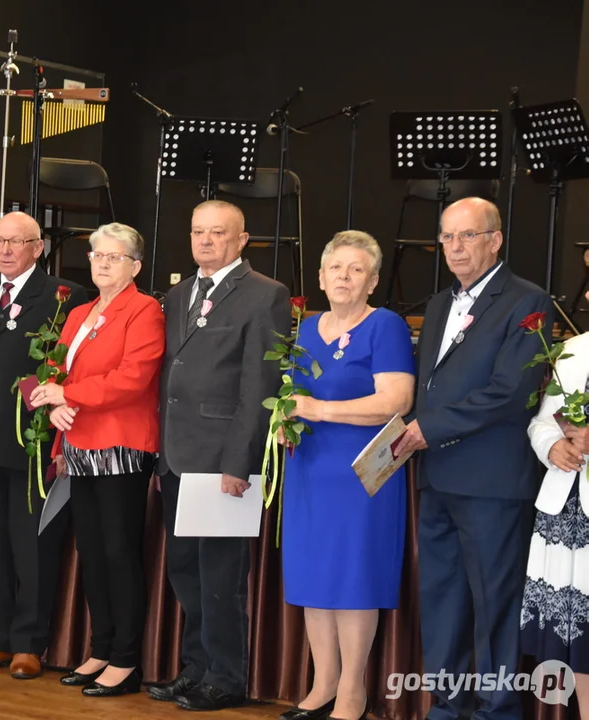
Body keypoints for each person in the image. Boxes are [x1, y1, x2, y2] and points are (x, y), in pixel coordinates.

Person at [396, 197, 551, 720]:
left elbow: (512, 391)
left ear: (495, 239)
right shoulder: (439, 304)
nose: (455, 248)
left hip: (491, 482)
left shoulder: (528, 301)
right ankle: (447, 705)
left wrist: (428, 428)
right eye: (446, 238)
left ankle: (497, 709)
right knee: (442, 602)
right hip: (436, 475)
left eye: (468, 236)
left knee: (494, 607)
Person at [150, 200, 289, 711]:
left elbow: (259, 386)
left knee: (221, 577)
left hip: (221, 460)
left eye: (217, 233)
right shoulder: (179, 292)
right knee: (186, 572)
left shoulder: (265, 295)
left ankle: (226, 677)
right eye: (197, 232)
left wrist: (239, 461)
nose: (205, 241)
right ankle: (195, 668)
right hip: (174, 456)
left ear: (242, 239)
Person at [279, 231, 415, 720]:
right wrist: (285, 420)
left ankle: (353, 692)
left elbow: (397, 401)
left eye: (356, 269)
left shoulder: (387, 326)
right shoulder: (307, 327)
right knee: (314, 575)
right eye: (335, 268)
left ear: (373, 281)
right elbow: (290, 397)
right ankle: (323, 684)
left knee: (354, 577)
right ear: (319, 277)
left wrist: (319, 408)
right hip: (310, 468)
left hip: (362, 472)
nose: (343, 276)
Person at [30, 222, 165, 698]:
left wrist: (67, 394)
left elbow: (133, 377)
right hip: (79, 445)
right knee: (91, 551)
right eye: (96, 256)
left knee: (119, 552)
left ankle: (126, 660)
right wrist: (58, 416)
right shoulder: (81, 312)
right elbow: (56, 372)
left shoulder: (144, 310)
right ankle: (102, 647)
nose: (102, 264)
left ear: (135, 265)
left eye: (114, 257)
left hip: (123, 445)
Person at [0, 211, 86, 679]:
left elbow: (73, 371)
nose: (6, 250)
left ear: (39, 248)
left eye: (18, 242)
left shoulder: (66, 298)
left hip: (33, 444)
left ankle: (29, 644)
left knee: (33, 547)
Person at [522, 289, 589, 719]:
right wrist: (553, 447)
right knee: (580, 638)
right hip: (570, 508)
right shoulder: (573, 349)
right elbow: (543, 420)